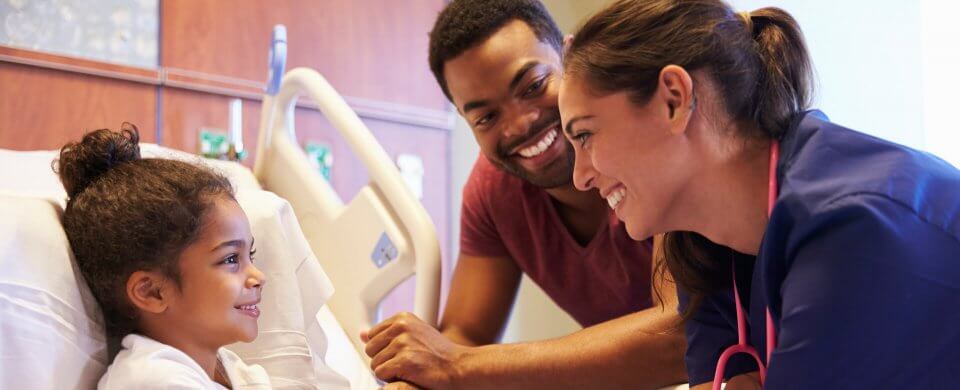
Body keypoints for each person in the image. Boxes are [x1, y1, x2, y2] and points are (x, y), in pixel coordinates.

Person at [559, 0, 960, 388]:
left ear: (673, 100)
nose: (580, 177)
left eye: (585, 135)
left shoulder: (854, 228)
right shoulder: (709, 245)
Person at [361, 1, 687, 388]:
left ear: (572, 58)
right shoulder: (494, 192)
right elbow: (465, 335)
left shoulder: (652, 139)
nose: (521, 124)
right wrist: (417, 375)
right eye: (486, 118)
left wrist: (456, 366)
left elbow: (680, 334)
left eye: (533, 86)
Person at [57, 125, 271, 389]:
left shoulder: (231, 369)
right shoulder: (151, 379)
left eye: (249, 254)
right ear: (153, 292)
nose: (258, 277)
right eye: (230, 259)